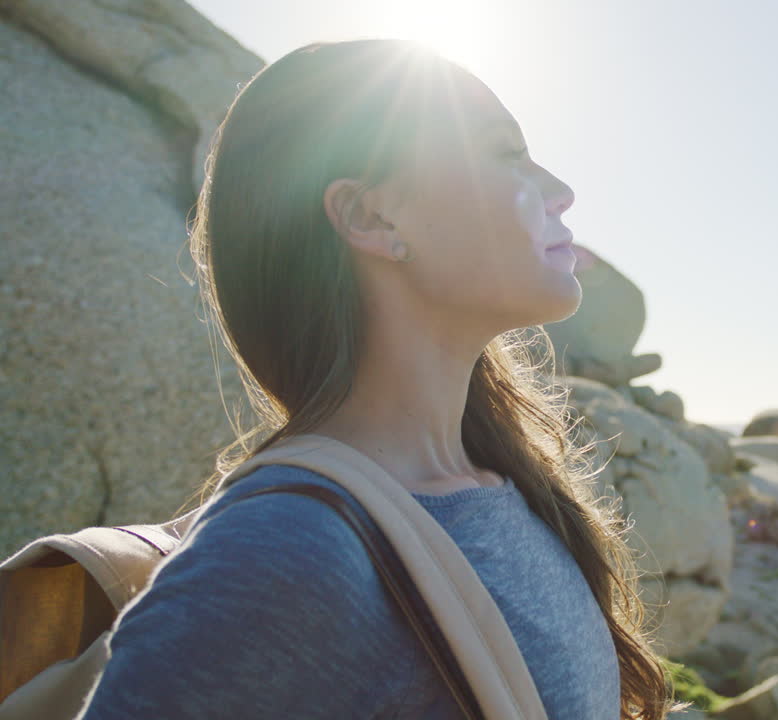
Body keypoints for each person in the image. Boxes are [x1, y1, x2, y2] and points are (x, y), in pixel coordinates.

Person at [74, 38, 678, 719]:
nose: (561, 192)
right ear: (371, 217)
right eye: (507, 153)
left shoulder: (509, 487)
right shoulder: (284, 553)